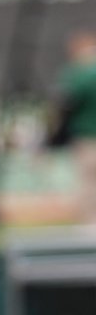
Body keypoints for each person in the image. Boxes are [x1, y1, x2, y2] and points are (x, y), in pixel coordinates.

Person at [56, 30, 96, 226]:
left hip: (87, 137)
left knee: (88, 183)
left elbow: (67, 103)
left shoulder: (78, 73)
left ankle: (90, 225)